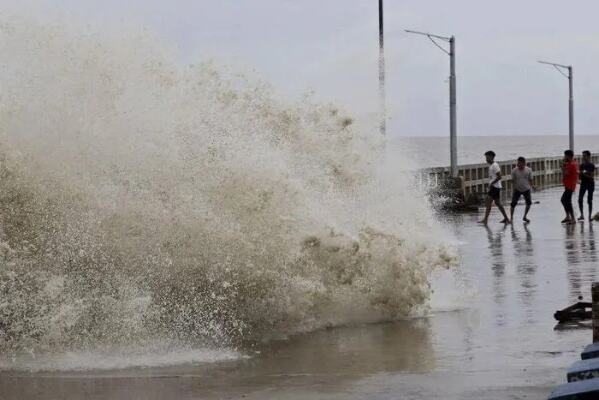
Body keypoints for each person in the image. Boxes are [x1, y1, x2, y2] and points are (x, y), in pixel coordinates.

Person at [479, 150, 510, 225]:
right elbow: (493, 177)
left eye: (487, 157)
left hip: (495, 187)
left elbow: (500, 176)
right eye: (486, 157)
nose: (486, 159)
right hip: (495, 187)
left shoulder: (495, 165)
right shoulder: (491, 166)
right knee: (497, 203)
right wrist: (490, 183)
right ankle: (506, 219)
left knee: (488, 201)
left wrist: (492, 183)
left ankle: (485, 220)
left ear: (491, 157)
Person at [510, 156, 534, 223]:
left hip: (527, 189)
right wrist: (513, 189)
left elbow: (530, 179)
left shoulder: (529, 170)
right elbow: (512, 181)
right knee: (513, 204)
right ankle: (511, 218)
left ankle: (525, 216)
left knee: (529, 203)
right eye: (518, 163)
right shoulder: (514, 170)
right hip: (517, 189)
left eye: (521, 163)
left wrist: (533, 186)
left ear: (524, 163)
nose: (519, 164)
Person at [561, 150, 578, 224]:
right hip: (568, 184)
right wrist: (565, 165)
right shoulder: (570, 163)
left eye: (565, 155)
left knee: (567, 201)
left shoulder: (572, 164)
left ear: (568, 156)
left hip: (570, 185)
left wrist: (562, 167)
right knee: (564, 200)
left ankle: (573, 219)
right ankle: (568, 216)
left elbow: (566, 173)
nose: (564, 157)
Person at [578, 150, 595, 221]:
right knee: (580, 199)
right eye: (583, 155)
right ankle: (582, 215)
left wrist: (584, 173)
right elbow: (580, 177)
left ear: (588, 156)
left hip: (590, 183)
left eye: (584, 155)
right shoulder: (581, 165)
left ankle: (589, 216)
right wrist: (580, 174)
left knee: (589, 200)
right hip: (583, 183)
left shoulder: (591, 165)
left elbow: (591, 176)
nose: (583, 157)